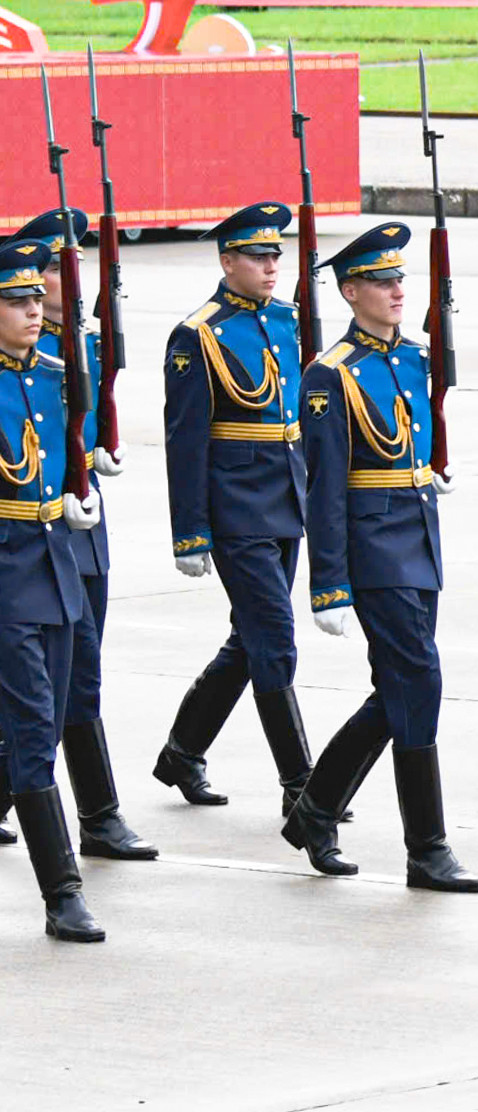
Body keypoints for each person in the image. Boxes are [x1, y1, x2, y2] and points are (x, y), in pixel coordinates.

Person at [279, 224, 478, 893]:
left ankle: (315, 809)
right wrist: (328, 584)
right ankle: (427, 849)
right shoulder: (329, 375)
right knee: (419, 681)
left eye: (401, 279)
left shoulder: (413, 359)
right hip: (373, 550)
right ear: (350, 291)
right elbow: (325, 487)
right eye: (383, 281)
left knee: (398, 689)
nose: (398, 291)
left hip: (418, 544)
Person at [152, 202, 320, 816]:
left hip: (285, 497)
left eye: (276, 254)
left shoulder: (287, 320)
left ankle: (182, 750)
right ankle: (301, 783)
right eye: (257, 255)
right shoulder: (196, 335)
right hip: (233, 509)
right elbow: (185, 439)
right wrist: (189, 533)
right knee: (275, 639)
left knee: (250, 639)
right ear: (228, 262)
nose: (271, 265)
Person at [9, 211, 151, 860]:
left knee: (75, 678)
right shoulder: (38, 357)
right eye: (53, 269)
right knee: (47, 690)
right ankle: (98, 813)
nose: (69, 277)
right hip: (35, 538)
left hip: (82, 531)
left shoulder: (80, 346)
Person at [0, 239, 106, 940]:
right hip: (5, 573)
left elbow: (74, 445)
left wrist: (79, 493)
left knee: (53, 713)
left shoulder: (54, 375)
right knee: (37, 729)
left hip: (56, 562)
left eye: (38, 297)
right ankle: (62, 892)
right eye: (17, 300)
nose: (35, 310)